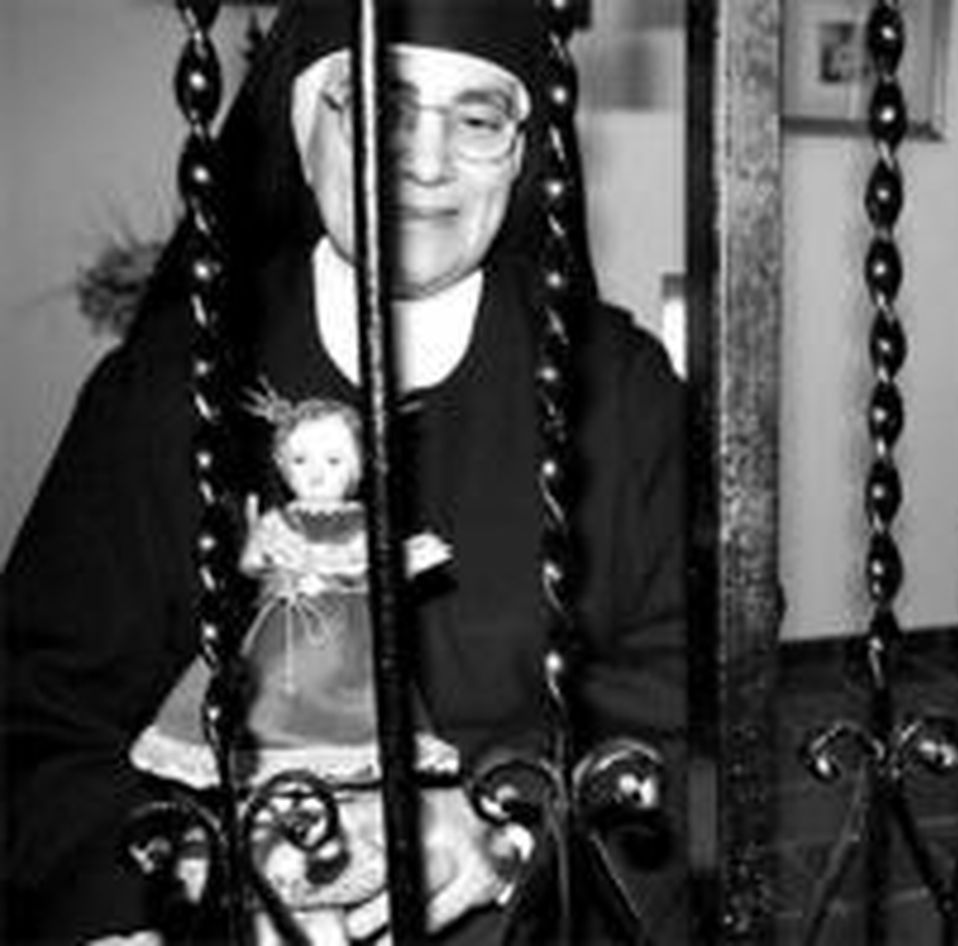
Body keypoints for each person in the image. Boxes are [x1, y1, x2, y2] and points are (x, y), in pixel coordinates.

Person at [0, 1, 687, 943]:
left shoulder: (622, 389)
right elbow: (37, 714)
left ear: (525, 153)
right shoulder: (166, 389)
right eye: (382, 104)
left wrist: (508, 828)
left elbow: (692, 683)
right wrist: (192, 867)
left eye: (478, 118)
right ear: (300, 123)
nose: (429, 160)